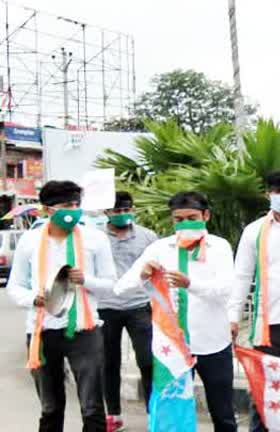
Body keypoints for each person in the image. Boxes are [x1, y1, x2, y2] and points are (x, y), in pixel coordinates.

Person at [114, 191, 237, 431]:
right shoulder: (160, 248)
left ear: (206, 215)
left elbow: (225, 289)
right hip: (171, 348)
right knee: (172, 413)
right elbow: (121, 287)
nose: (185, 224)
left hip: (213, 342)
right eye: (178, 220)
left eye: (192, 217)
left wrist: (190, 284)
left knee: (222, 412)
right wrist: (142, 274)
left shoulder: (219, 247)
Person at [8, 180, 117, 432]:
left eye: (76, 204)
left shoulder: (95, 239)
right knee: (50, 405)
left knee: (91, 406)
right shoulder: (30, 241)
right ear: (48, 210)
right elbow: (15, 287)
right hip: (42, 330)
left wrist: (86, 280)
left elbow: (111, 284)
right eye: (67, 205)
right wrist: (33, 299)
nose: (73, 210)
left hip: (85, 330)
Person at [229, 170, 280, 432]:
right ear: (269, 195)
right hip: (269, 319)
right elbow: (241, 275)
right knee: (262, 385)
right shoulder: (254, 231)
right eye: (278, 191)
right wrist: (233, 316)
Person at [98, 191, 158, 432]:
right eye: (117, 211)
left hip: (139, 306)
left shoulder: (147, 236)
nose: (123, 215)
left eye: (127, 210)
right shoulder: (96, 238)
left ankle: (154, 412)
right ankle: (112, 414)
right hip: (106, 307)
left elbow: (158, 268)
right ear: (107, 212)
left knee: (147, 360)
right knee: (108, 362)